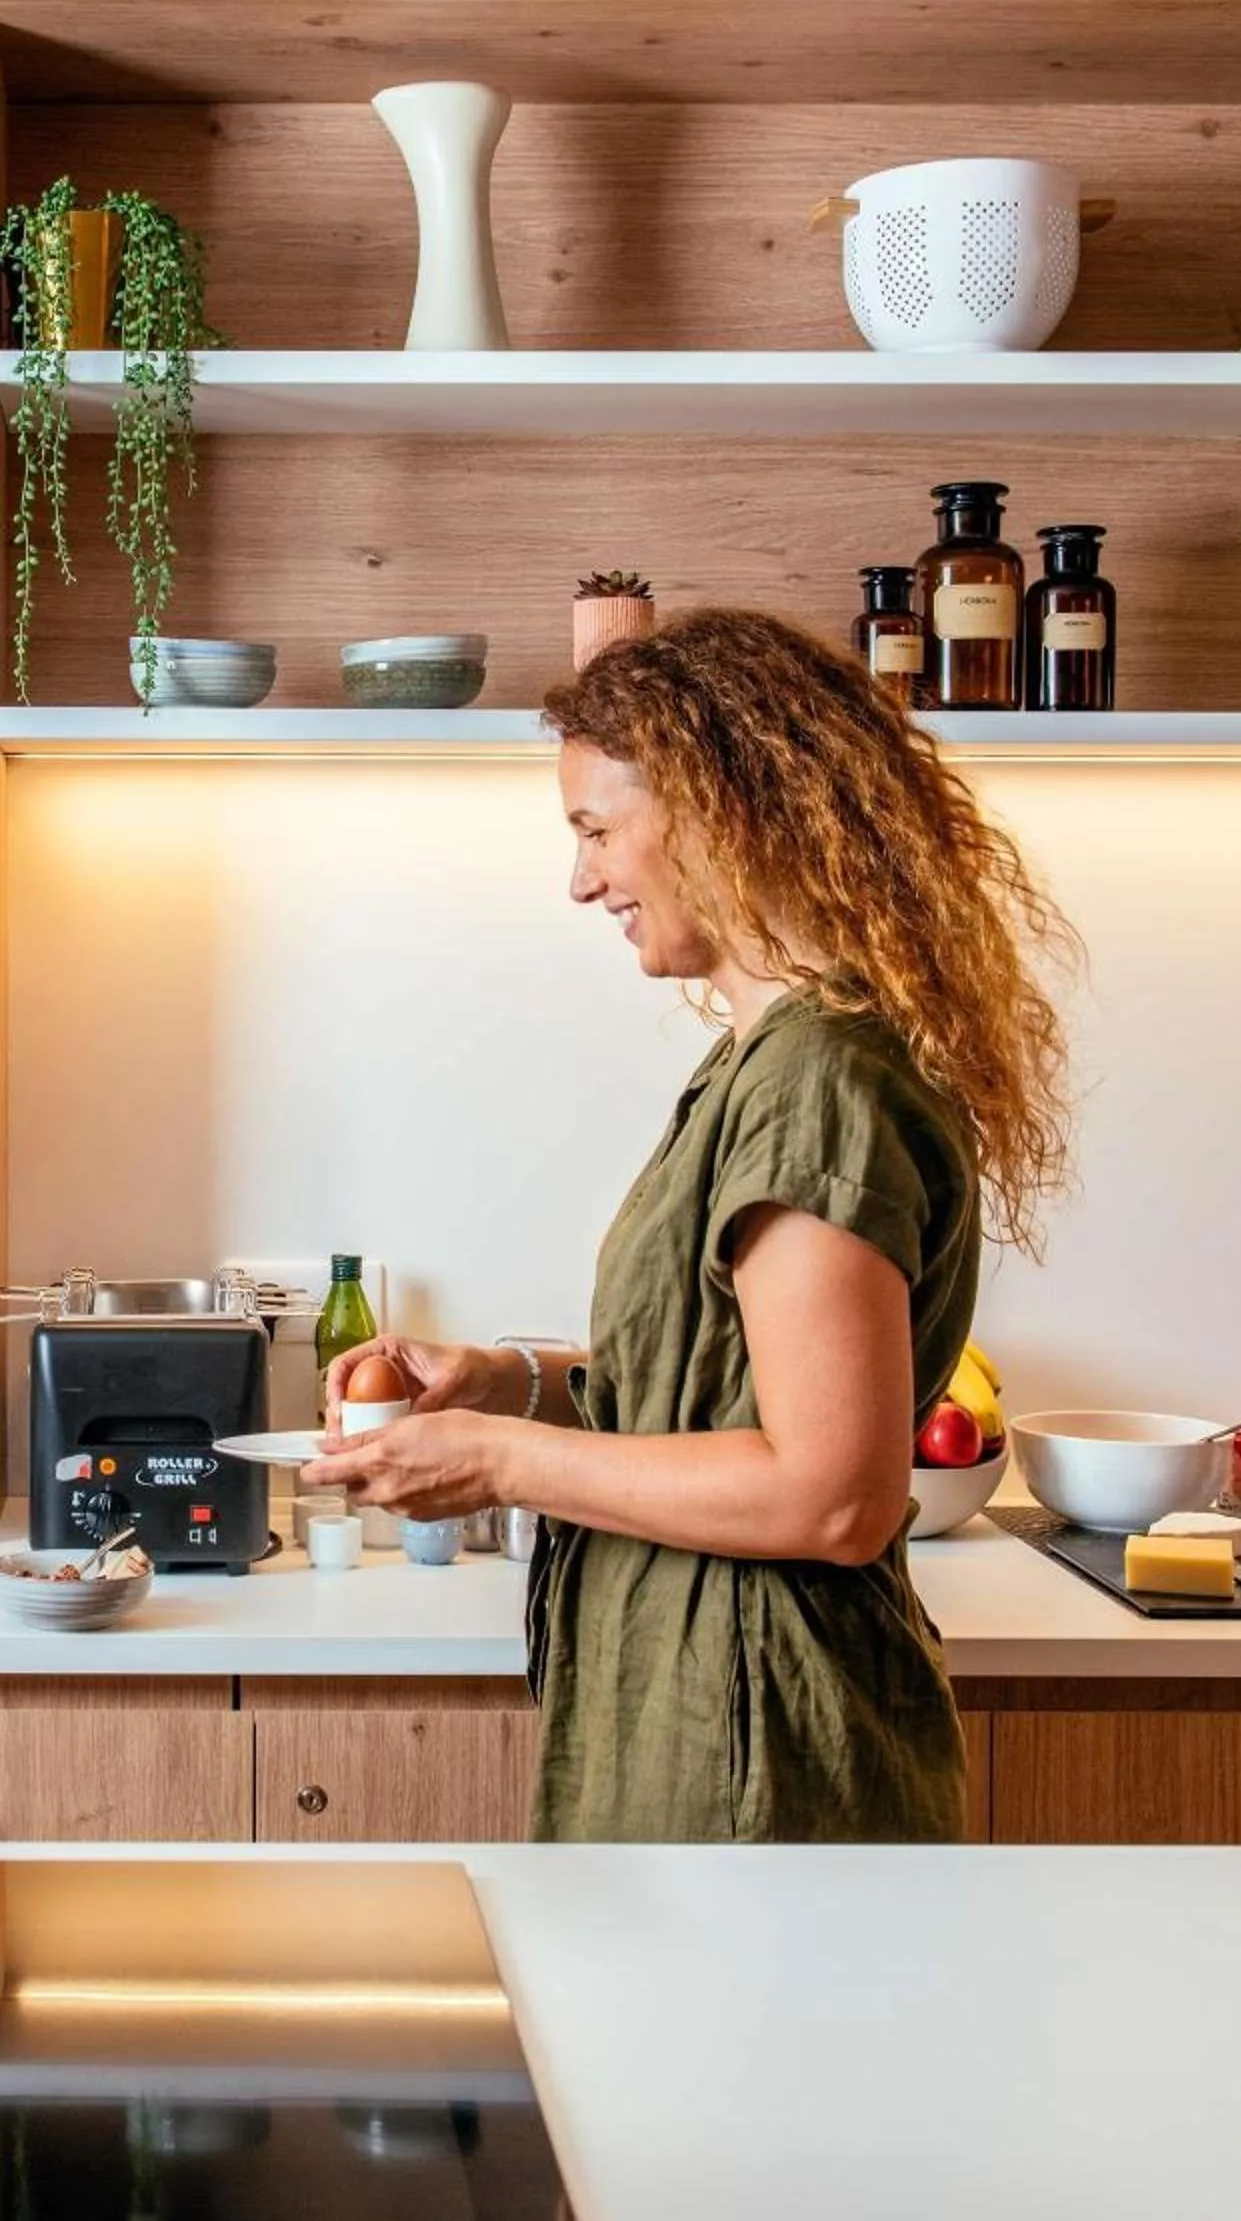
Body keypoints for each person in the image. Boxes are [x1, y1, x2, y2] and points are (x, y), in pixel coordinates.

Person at [309, 609, 1077, 1843]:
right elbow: (716, 1394)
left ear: (723, 812)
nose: (581, 881)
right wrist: (506, 1384)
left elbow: (829, 1494)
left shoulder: (817, 1081)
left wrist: (500, 1462)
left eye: (596, 831)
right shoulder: (768, 1061)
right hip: (710, 1714)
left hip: (760, 1749)